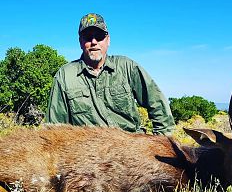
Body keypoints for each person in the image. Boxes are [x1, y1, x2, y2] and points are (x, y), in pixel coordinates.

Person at [46, 13, 175, 135]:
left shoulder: (127, 66)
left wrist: (161, 143)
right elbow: (55, 129)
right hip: (88, 154)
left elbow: (158, 106)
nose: (94, 42)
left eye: (99, 36)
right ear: (80, 42)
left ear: (108, 40)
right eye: (88, 37)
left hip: (131, 148)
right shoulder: (65, 76)